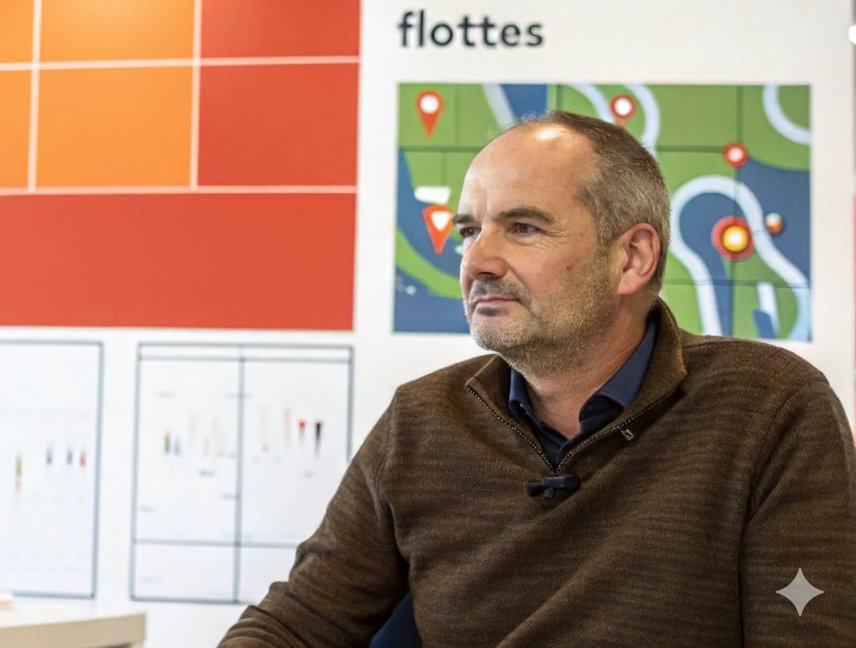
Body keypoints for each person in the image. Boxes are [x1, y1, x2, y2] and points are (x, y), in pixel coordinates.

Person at [220, 111, 856, 646]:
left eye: (523, 228)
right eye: (469, 231)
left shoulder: (769, 407)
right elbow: (296, 626)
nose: (477, 261)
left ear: (632, 257)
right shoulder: (422, 418)